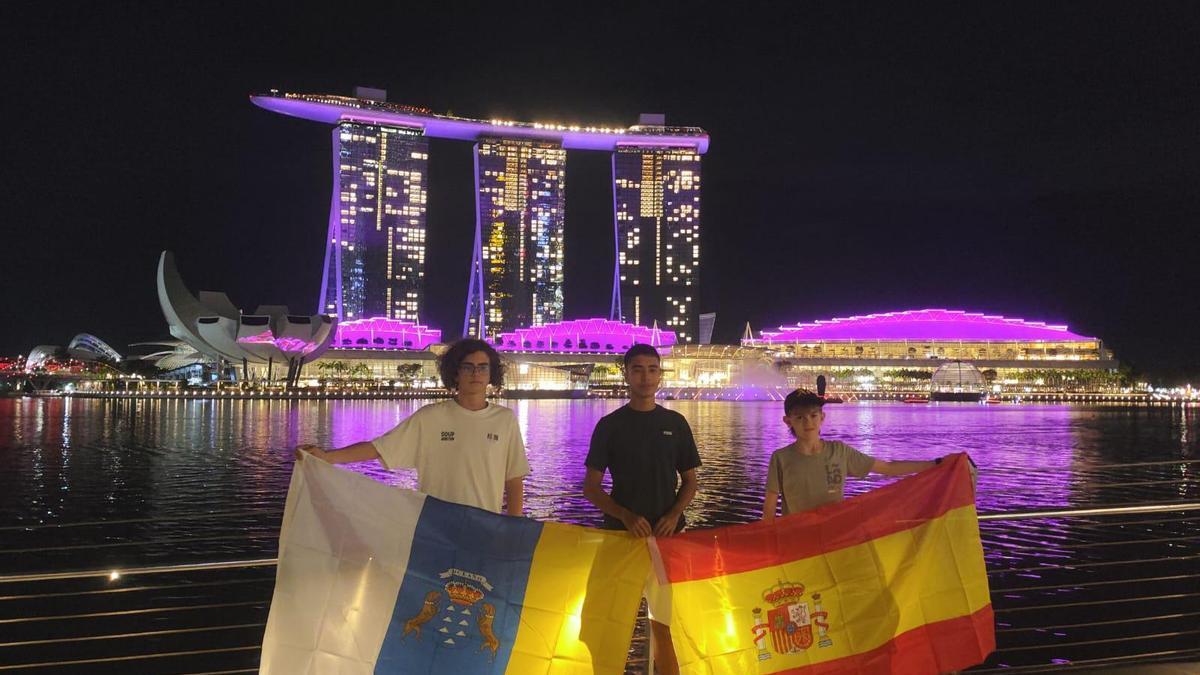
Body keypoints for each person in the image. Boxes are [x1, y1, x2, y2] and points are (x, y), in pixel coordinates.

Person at [295, 338, 529, 516]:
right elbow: (379, 448)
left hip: (485, 528)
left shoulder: (504, 419)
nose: (476, 373)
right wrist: (327, 457)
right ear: (455, 374)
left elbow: (514, 480)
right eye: (468, 367)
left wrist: (513, 528)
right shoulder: (430, 418)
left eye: (482, 367)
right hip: (435, 529)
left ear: (491, 374)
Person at [583, 344, 700, 675]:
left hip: (668, 540)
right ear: (626, 374)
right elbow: (590, 488)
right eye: (637, 369)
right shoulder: (610, 425)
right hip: (620, 538)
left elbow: (690, 481)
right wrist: (624, 515)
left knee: (665, 624)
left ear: (660, 375)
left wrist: (674, 514)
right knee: (607, 621)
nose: (645, 376)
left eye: (652, 369)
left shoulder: (675, 423)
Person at [761, 389, 940, 521]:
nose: (808, 422)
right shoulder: (781, 458)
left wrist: (935, 465)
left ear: (822, 417)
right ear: (788, 421)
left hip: (835, 536)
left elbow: (887, 468)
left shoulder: (839, 451)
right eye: (800, 417)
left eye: (813, 415)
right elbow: (769, 508)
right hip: (798, 540)